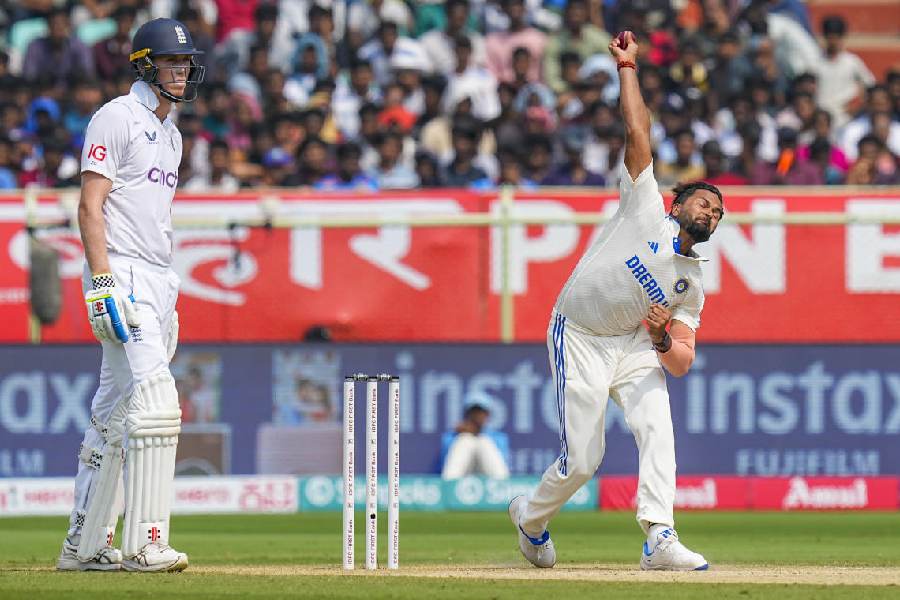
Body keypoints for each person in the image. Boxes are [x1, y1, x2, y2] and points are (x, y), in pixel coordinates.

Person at [508, 31, 723, 572]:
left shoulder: (692, 283)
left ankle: (660, 537)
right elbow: (637, 129)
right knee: (584, 460)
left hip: (634, 345)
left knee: (657, 425)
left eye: (718, 213)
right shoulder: (643, 205)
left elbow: (682, 362)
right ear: (677, 205)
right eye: (704, 202)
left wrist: (660, 337)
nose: (711, 213)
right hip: (579, 331)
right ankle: (530, 519)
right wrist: (627, 67)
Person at [58, 18, 205, 574]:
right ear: (145, 65)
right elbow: (89, 206)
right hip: (120, 274)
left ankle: (84, 544)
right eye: (171, 63)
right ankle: (147, 544)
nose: (181, 72)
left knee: (114, 414)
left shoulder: (172, 134)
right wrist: (101, 283)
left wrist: (167, 291)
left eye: (185, 63)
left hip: (157, 278)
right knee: (156, 404)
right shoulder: (116, 116)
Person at [441, 403, 510, 480]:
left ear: (487, 414)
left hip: (489, 478)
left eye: (481, 412)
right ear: (468, 414)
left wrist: (476, 433)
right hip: (463, 477)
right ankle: (450, 483)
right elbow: (445, 459)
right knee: (466, 440)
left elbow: (502, 461)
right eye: (474, 412)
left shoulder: (498, 437)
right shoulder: (452, 435)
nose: (477, 416)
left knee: (483, 441)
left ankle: (502, 484)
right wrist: (462, 434)